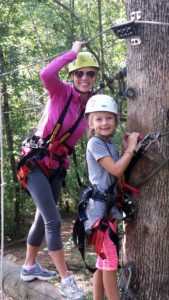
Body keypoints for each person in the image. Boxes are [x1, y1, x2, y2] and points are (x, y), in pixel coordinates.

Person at [17, 41, 99, 299]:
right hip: (34, 162)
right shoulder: (59, 91)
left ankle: (28, 266)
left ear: (95, 76)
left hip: (56, 167)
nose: (85, 77)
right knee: (53, 220)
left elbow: (102, 128)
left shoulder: (91, 106)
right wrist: (73, 53)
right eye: (79, 72)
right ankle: (67, 280)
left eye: (90, 73)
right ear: (72, 75)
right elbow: (45, 74)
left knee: (43, 219)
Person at [84, 94, 140, 300]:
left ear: (115, 119)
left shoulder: (108, 143)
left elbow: (117, 171)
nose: (104, 123)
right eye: (98, 119)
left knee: (102, 262)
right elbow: (116, 170)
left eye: (108, 118)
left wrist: (125, 148)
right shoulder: (95, 144)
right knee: (109, 263)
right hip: (99, 213)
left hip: (107, 211)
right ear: (91, 123)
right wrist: (132, 148)